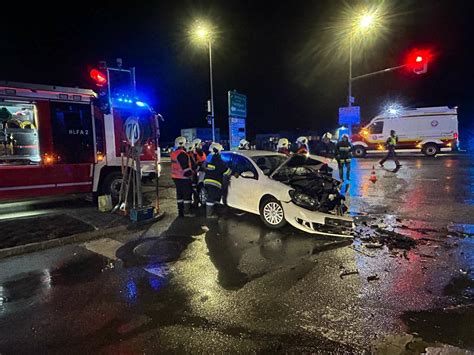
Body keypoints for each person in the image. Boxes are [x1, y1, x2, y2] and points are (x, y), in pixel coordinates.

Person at [203, 142, 232, 218]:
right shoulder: (219, 162)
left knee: (215, 197)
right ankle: (209, 214)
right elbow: (227, 172)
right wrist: (234, 171)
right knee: (211, 198)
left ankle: (215, 212)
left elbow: (204, 168)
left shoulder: (209, 160)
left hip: (207, 181)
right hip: (215, 182)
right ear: (217, 151)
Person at [170, 136, 194, 217]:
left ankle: (181, 212)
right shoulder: (182, 154)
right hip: (183, 177)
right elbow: (186, 169)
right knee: (187, 195)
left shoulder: (174, 153)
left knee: (179, 195)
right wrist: (191, 175)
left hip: (176, 177)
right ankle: (187, 212)